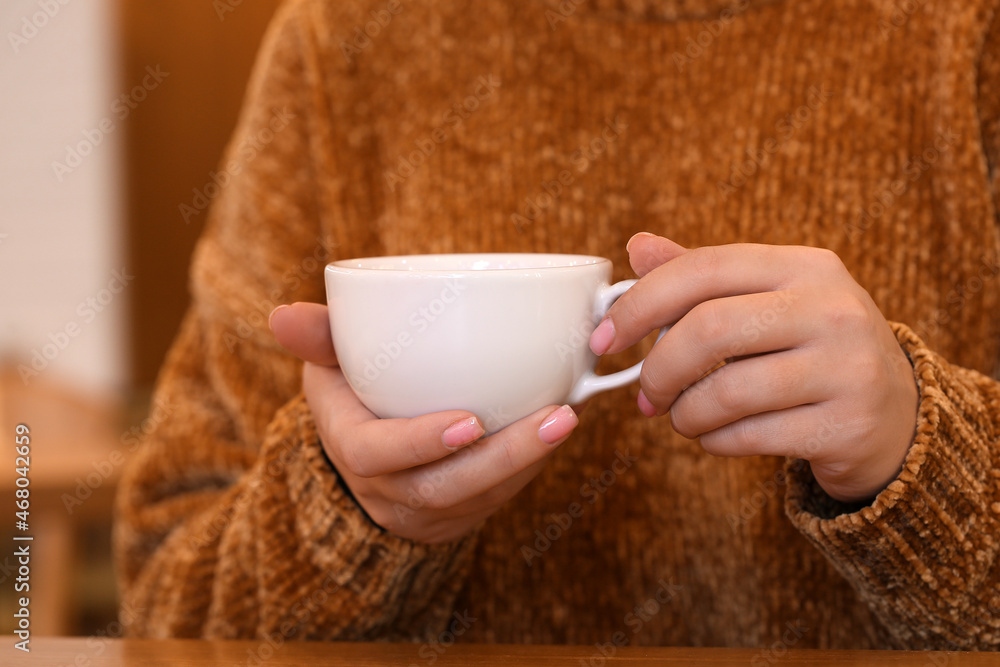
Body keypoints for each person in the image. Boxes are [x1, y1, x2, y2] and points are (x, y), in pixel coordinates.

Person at [114, 0, 1000, 649]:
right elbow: (163, 607)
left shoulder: (965, 37)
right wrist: (344, 513)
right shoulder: (343, 42)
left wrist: (921, 452)